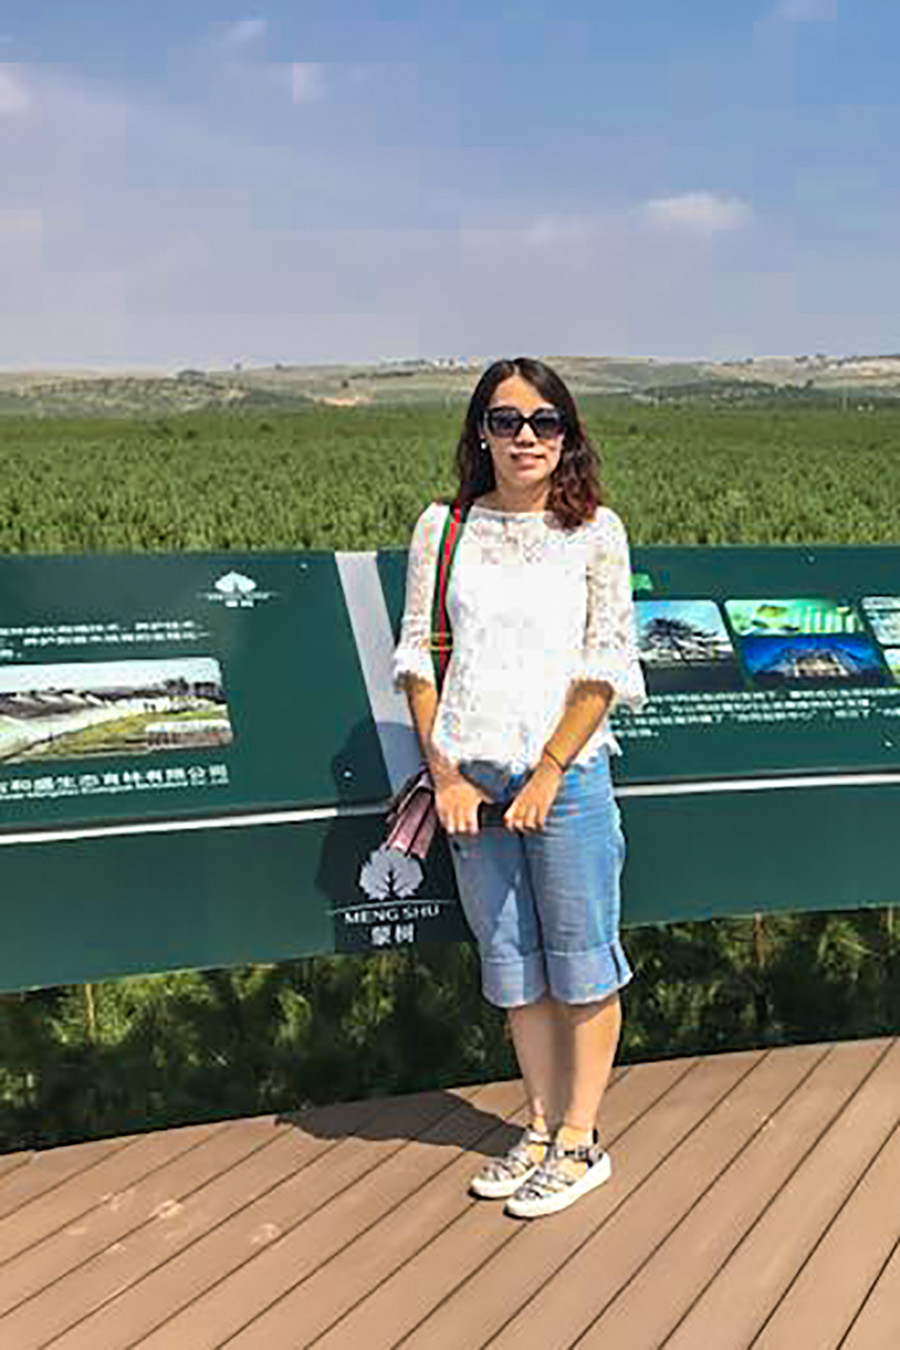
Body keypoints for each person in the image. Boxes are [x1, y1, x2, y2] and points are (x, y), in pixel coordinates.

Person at [391, 356, 646, 1219]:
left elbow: (606, 665)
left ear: (568, 435)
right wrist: (446, 775)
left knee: (582, 959)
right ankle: (537, 1126)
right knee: (513, 963)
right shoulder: (444, 528)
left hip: (565, 776)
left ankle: (579, 1140)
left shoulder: (596, 531)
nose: (525, 437)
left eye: (544, 421)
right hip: (470, 780)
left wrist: (548, 771)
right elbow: (418, 657)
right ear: (481, 434)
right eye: (506, 421)